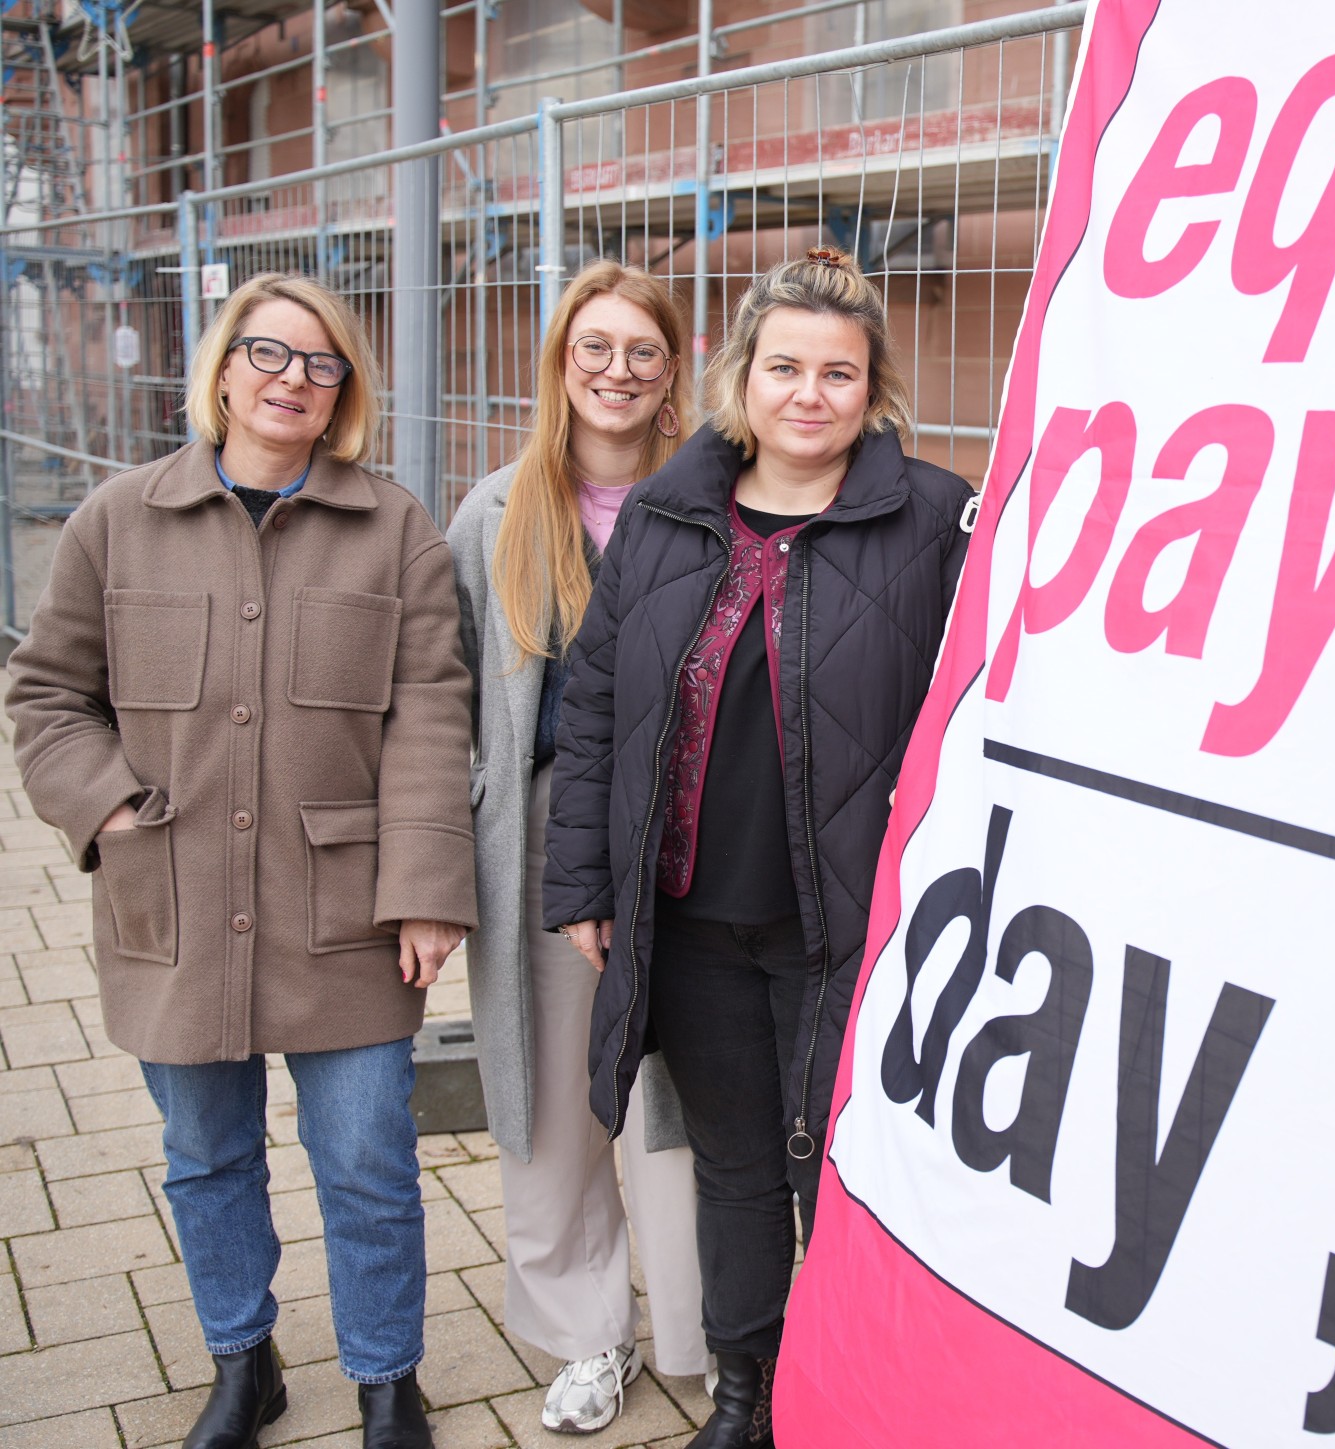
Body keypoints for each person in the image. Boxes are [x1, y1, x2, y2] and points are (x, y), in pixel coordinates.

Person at [5, 272, 477, 1449]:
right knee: (206, 1155)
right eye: (269, 355)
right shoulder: (114, 522)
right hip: (172, 901)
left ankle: (385, 1378)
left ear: (343, 396)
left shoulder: (395, 527)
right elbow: (50, 694)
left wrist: (425, 891)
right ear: (221, 370)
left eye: (320, 367)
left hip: (348, 913)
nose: (291, 382)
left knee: (366, 1160)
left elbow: (428, 714)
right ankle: (242, 1363)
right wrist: (109, 810)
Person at [543, 246, 973, 1449]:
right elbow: (594, 709)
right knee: (732, 1168)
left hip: (842, 925)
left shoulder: (932, 519)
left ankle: (848, 1400)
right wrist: (583, 883)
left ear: (872, 387)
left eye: (838, 373)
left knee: (837, 1178)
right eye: (784, 366)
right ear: (742, 376)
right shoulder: (669, 516)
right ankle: (746, 1397)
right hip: (687, 923)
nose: (808, 395)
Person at [446, 260, 707, 1435]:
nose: (616, 370)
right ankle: (584, 1339)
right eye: (592, 347)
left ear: (671, 377)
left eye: (641, 352)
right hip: (546, 838)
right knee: (556, 1108)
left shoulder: (718, 501)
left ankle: (701, 1337)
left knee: (677, 1103)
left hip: (686, 839)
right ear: (560, 365)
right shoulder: (496, 513)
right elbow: (446, 702)